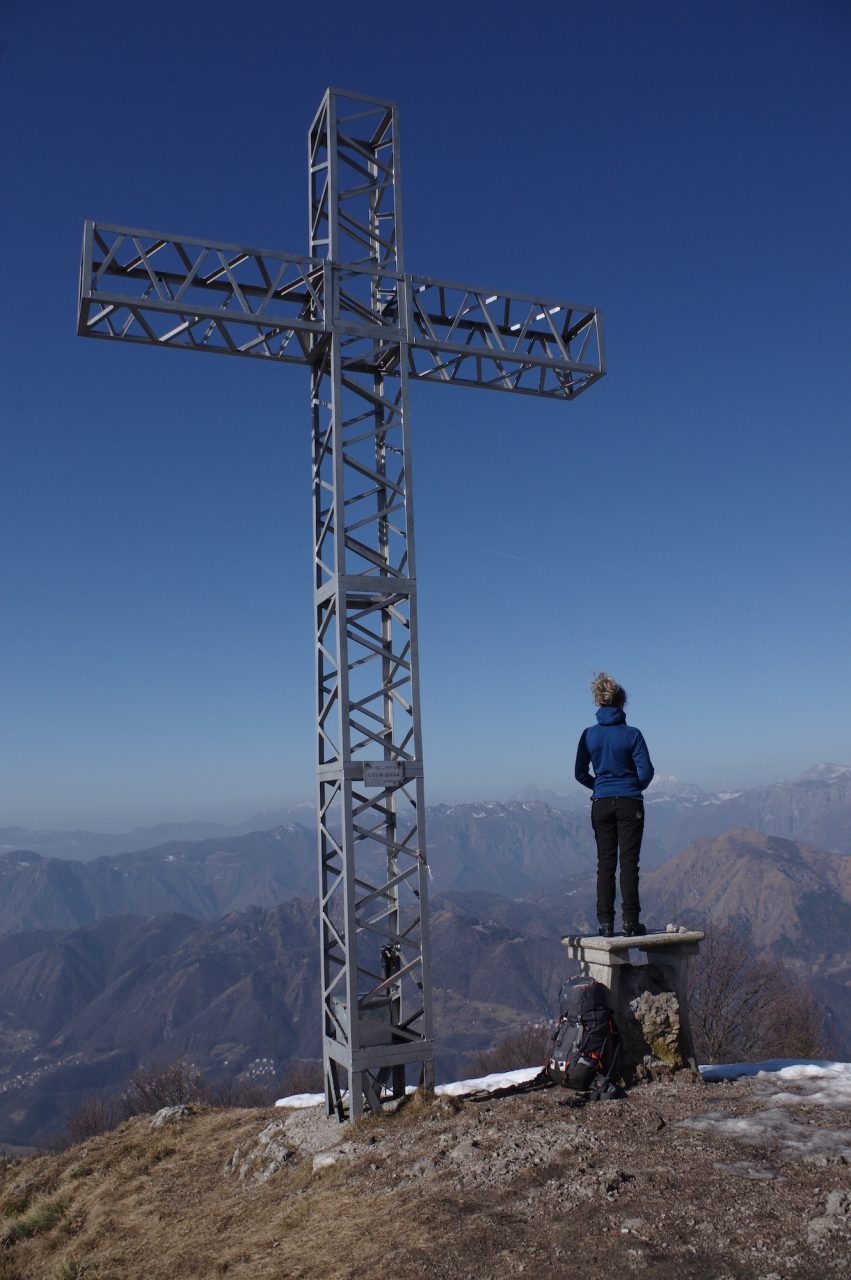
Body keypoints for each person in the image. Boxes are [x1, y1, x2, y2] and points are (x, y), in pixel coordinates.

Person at [574, 673, 655, 937]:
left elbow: (579, 773)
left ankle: (605, 924)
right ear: (622, 703)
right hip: (630, 803)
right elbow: (647, 772)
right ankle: (631, 922)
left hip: (601, 803)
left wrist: (599, 786)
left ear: (598, 702)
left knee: (605, 863)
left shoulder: (588, 735)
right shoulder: (633, 735)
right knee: (629, 863)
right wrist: (632, 787)